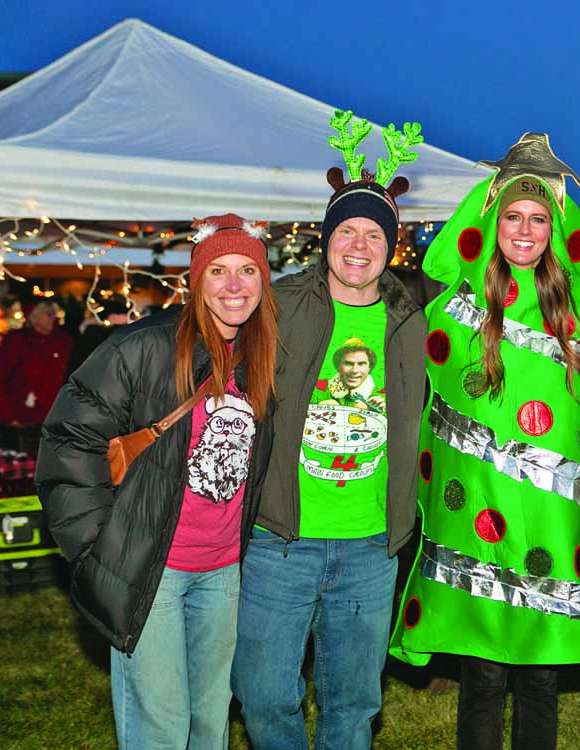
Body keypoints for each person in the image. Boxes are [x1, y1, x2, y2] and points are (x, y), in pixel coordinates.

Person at [389, 134, 580, 750]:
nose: (525, 230)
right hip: (476, 511)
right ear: (492, 219)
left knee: (538, 675)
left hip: (547, 522)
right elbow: (436, 403)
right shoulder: (454, 307)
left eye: (537, 218)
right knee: (483, 672)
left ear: (553, 226)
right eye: (513, 216)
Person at [35, 213, 278, 749]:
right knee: (160, 727)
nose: (234, 286)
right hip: (151, 567)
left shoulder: (261, 358)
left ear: (264, 281)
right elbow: (68, 440)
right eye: (218, 271)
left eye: (247, 271)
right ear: (195, 282)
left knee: (210, 721)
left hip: (221, 572)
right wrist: (97, 546)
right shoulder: (142, 348)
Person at [231, 111, 426, 750]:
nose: (360, 245)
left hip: (371, 546)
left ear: (391, 244)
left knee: (352, 706)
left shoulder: (414, 320)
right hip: (278, 539)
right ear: (326, 239)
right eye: (348, 230)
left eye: (375, 232)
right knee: (263, 697)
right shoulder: (278, 306)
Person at [0, 300, 73, 453]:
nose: (53, 318)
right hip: (27, 420)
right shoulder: (16, 341)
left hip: (60, 418)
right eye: (48, 314)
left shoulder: (63, 339)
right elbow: (1, 380)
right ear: (33, 317)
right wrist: (9, 417)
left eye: (53, 314)